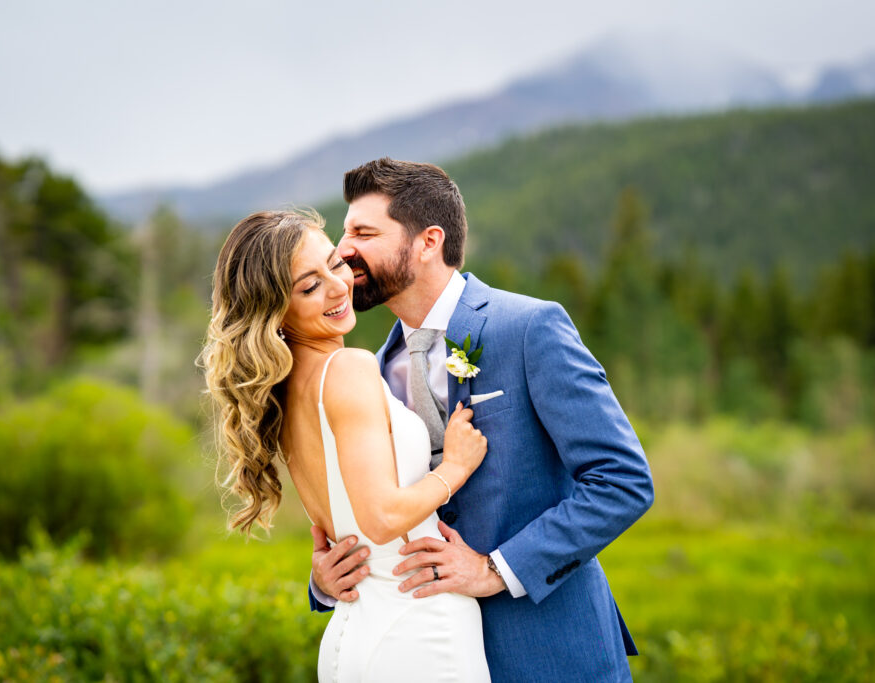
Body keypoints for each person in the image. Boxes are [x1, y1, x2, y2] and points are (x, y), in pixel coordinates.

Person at [310, 158, 654, 682]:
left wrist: (497, 570)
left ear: (428, 242)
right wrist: (325, 580)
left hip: (548, 651)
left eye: (363, 231)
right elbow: (381, 509)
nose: (343, 250)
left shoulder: (529, 328)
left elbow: (623, 481)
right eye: (343, 232)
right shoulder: (372, 372)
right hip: (430, 655)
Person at [200, 209, 492, 682]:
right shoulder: (349, 369)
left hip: (354, 631)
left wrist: (321, 581)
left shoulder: (287, 394)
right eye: (309, 286)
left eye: (336, 264)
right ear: (275, 312)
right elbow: (380, 518)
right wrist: (454, 468)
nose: (338, 287)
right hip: (417, 630)